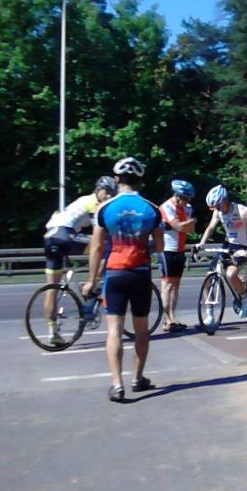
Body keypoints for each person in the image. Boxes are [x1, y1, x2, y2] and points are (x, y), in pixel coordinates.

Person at [81, 157, 162, 403]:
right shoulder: (152, 209)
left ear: (117, 180)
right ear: (140, 180)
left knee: (114, 330)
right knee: (141, 328)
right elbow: (160, 246)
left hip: (114, 273)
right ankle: (138, 377)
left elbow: (97, 248)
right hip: (140, 272)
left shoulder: (105, 208)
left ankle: (117, 385)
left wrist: (91, 280)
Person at [41, 176, 117, 345]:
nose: (109, 196)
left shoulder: (80, 201)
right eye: (107, 192)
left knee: (52, 288)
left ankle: (53, 331)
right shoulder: (93, 203)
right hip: (65, 235)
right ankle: (92, 284)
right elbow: (100, 232)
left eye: (113, 193)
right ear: (98, 190)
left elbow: (57, 215)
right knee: (104, 248)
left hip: (50, 236)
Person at [197, 185, 247, 318]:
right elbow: (210, 228)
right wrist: (201, 244)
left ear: (225, 200)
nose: (218, 209)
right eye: (215, 207)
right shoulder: (218, 212)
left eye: (219, 206)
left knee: (230, 274)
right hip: (228, 245)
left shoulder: (243, 211)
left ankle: (245, 298)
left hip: (242, 246)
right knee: (208, 278)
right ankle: (209, 315)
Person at [158, 180, 196, 331]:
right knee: (167, 286)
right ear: (177, 196)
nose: (186, 202)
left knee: (175, 286)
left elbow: (190, 230)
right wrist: (188, 223)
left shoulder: (188, 208)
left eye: (188, 199)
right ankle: (166, 320)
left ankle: (173, 318)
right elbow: (179, 226)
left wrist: (184, 225)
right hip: (167, 249)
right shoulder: (167, 206)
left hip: (180, 249)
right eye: (185, 198)